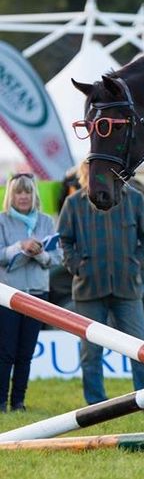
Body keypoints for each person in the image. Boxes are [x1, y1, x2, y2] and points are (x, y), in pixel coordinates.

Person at [57, 161, 144, 407]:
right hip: (88, 290)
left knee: (140, 347)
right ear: (85, 174)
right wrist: (77, 267)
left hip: (127, 286)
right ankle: (96, 404)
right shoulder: (73, 204)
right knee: (90, 353)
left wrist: (136, 262)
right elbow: (64, 240)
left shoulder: (136, 200)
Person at [0, 173, 63, 412]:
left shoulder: (47, 221)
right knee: (5, 352)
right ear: (11, 196)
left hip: (37, 294)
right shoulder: (2, 221)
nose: (23, 196)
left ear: (33, 194)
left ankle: (18, 402)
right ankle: (0, 403)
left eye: (27, 192)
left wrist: (39, 253)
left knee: (26, 353)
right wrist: (20, 247)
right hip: (9, 296)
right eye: (18, 192)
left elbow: (57, 258)